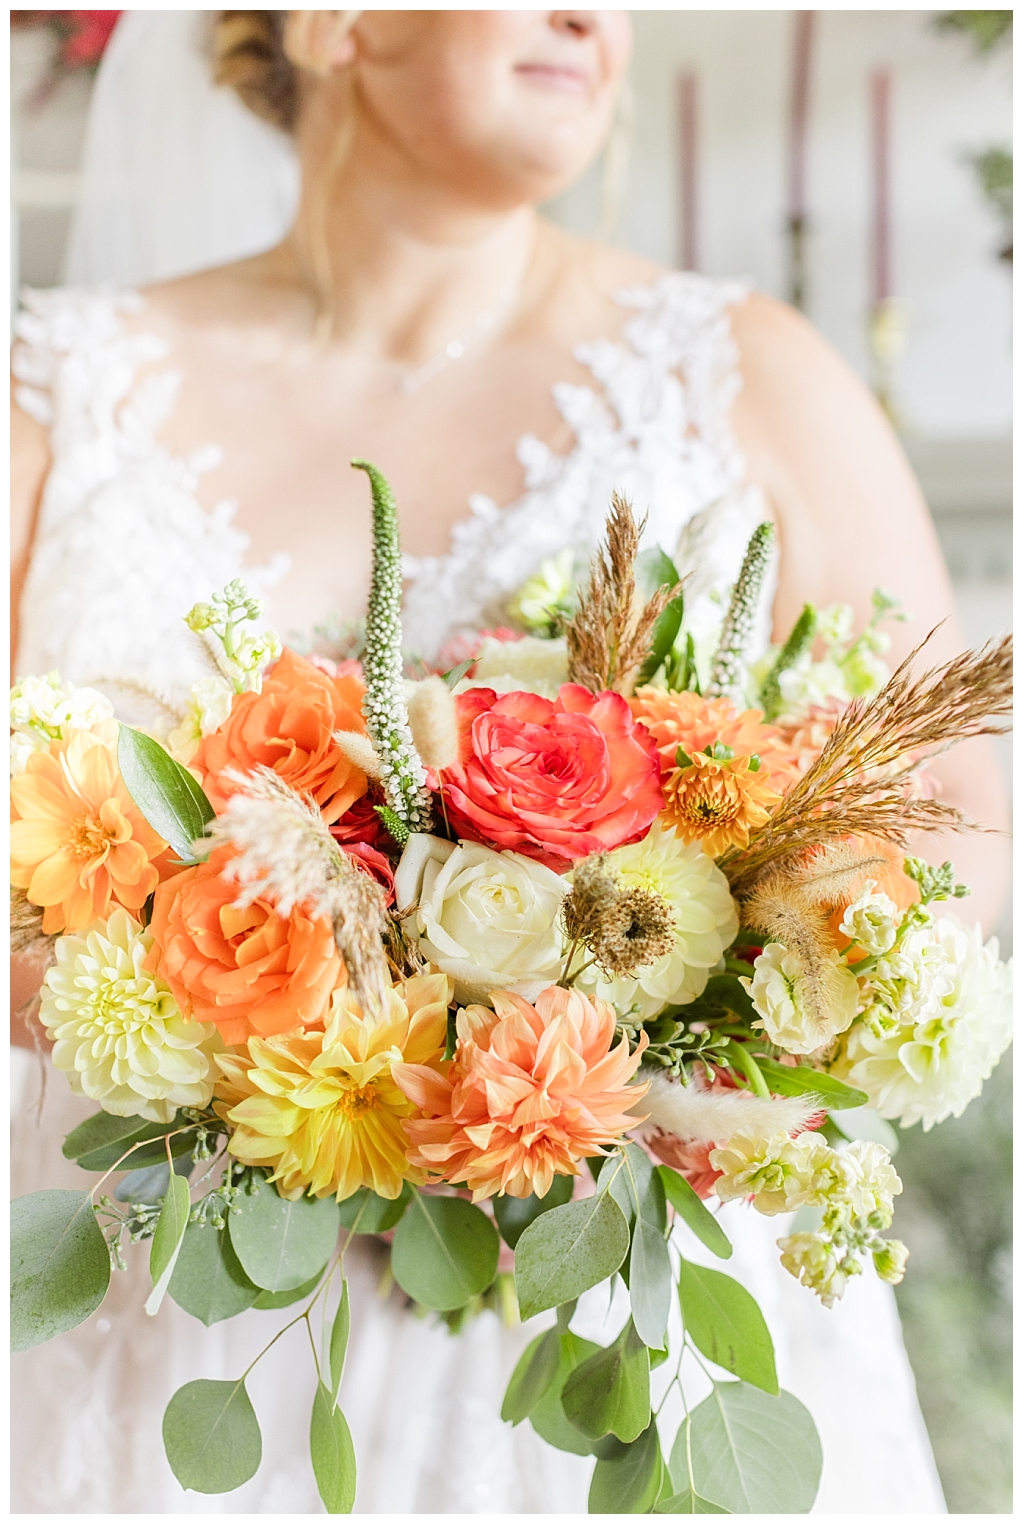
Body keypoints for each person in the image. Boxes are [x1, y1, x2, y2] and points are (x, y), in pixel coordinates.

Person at [10, 10, 1007, 1514]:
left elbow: (957, 826)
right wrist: (243, 1041)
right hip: (176, 1307)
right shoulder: (54, 393)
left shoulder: (754, 378)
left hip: (617, 1334)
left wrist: (661, 1043)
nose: (591, 17)